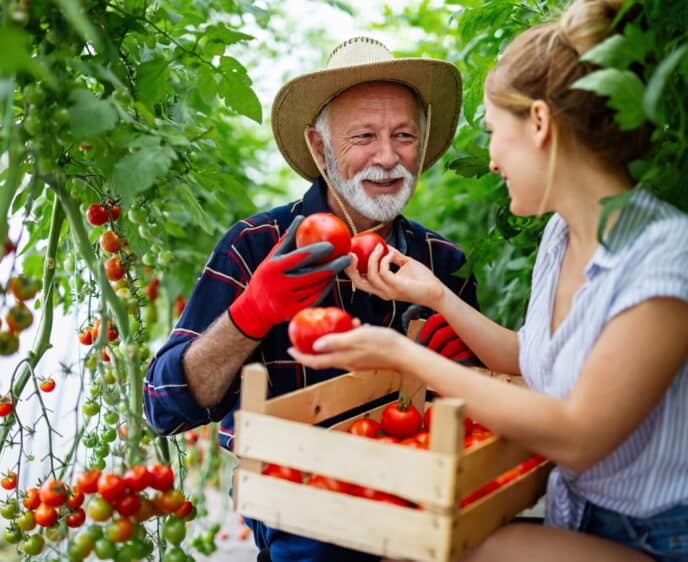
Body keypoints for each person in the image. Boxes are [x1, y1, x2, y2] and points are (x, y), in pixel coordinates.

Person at [289, 2, 688, 562]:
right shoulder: (562, 235)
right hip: (580, 515)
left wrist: (405, 355)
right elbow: (530, 358)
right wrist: (433, 294)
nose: (493, 159)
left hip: (660, 536)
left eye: (495, 132)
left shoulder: (665, 257)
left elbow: (576, 436)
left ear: (541, 125)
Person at [144, 36, 479, 562]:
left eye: (404, 135)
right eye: (364, 136)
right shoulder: (256, 246)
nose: (389, 157)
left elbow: (473, 408)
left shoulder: (442, 262)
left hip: (420, 509)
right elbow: (164, 406)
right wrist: (250, 314)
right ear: (320, 148)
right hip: (299, 518)